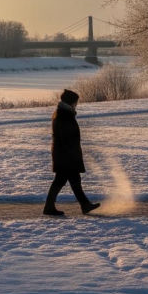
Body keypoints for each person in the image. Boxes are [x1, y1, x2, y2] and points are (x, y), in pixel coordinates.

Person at [43, 88, 101, 216]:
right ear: (70, 102)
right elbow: (65, 137)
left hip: (65, 154)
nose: (76, 104)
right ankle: (83, 205)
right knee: (68, 180)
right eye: (75, 102)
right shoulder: (64, 115)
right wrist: (72, 154)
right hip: (66, 155)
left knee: (65, 180)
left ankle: (82, 205)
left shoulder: (64, 114)